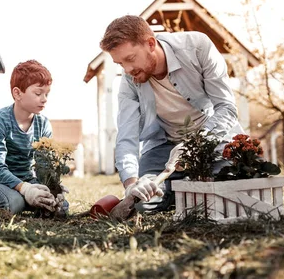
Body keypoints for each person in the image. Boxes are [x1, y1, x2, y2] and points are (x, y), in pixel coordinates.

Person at [99, 15, 244, 212]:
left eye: (130, 59)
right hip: (163, 146)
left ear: (151, 44)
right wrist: (131, 184)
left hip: (213, 140)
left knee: (228, 189)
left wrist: (194, 145)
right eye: (120, 64)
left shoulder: (198, 47)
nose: (127, 70)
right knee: (142, 202)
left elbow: (226, 108)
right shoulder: (129, 81)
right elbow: (126, 136)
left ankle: (183, 190)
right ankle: (177, 191)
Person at [0, 60, 68, 214]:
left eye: (46, 94)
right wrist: (25, 189)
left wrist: (52, 187)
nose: (44, 99)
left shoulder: (43, 124)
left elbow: (44, 164)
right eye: (38, 93)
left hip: (27, 180)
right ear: (17, 93)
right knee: (15, 204)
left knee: (59, 209)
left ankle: (21, 198)